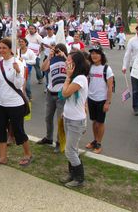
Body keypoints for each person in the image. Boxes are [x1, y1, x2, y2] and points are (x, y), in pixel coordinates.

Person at [0, 38, 33, 167]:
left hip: (15, 104)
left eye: (4, 48)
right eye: (0, 48)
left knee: (18, 131)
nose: (1, 50)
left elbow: (19, 85)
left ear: (10, 49)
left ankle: (28, 154)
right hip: (1, 104)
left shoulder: (18, 63)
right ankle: (3, 157)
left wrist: (18, 72)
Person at [59, 51, 89, 188]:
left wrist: (67, 77)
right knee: (73, 149)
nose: (66, 62)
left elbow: (65, 93)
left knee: (70, 150)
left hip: (76, 120)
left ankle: (79, 178)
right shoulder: (74, 77)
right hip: (68, 117)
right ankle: (72, 174)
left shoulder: (80, 78)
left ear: (75, 64)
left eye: (69, 60)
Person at [37, 44, 68, 153]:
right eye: (55, 51)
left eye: (58, 51)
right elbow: (43, 68)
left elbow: (72, 68)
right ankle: (48, 137)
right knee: (48, 117)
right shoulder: (52, 60)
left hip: (61, 95)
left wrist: (64, 56)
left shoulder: (67, 61)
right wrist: (50, 57)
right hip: (51, 93)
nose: (57, 53)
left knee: (60, 120)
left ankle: (60, 142)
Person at [86, 45, 114, 154]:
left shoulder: (107, 69)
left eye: (96, 53)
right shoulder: (90, 67)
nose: (94, 55)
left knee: (100, 122)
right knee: (94, 121)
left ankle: (99, 143)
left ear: (101, 55)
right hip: (91, 98)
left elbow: (110, 87)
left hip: (102, 100)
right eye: (92, 53)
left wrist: (108, 102)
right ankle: (95, 140)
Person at [122, 26, 138, 115]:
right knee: (135, 89)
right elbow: (127, 54)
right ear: (136, 30)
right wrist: (124, 66)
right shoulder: (132, 41)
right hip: (134, 67)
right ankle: (136, 106)